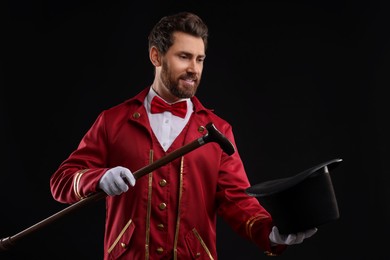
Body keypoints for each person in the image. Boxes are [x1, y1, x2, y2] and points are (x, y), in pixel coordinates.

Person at [50, 11, 317, 259]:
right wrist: (99, 178)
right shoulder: (112, 121)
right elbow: (61, 182)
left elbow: (237, 201)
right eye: (184, 56)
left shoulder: (219, 130)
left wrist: (272, 233)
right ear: (156, 56)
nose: (194, 68)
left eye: (199, 59)